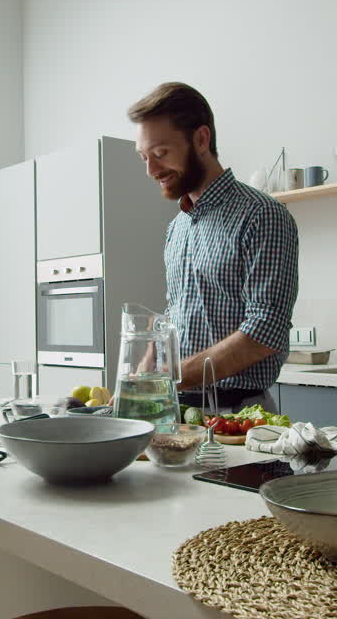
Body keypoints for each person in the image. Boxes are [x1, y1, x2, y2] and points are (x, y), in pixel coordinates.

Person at [128, 82, 299, 413]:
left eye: (161, 153)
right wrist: (143, 373)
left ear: (201, 139)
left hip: (237, 415)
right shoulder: (176, 228)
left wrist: (169, 378)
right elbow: (174, 311)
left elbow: (265, 330)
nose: (151, 170)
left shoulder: (261, 215)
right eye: (144, 157)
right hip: (175, 411)